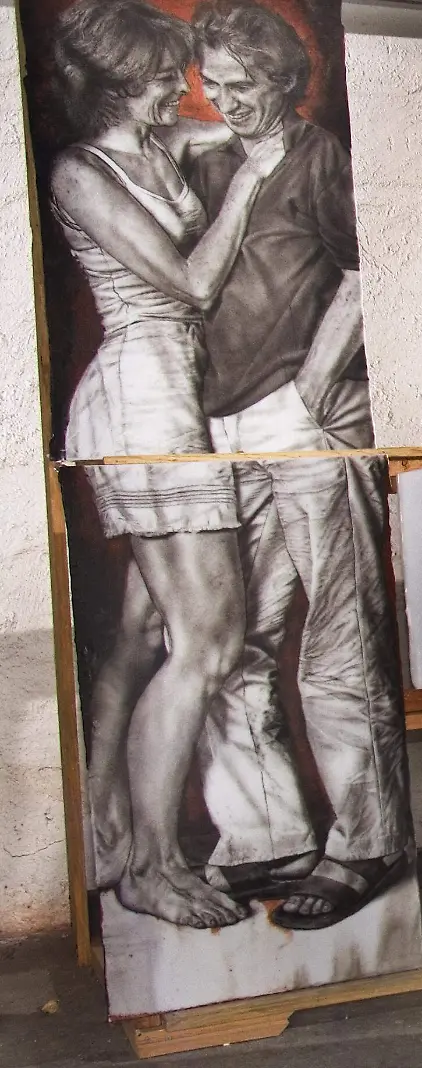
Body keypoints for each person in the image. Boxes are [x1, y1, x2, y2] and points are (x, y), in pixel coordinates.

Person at [49, 0, 282, 930]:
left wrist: (249, 124)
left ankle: (109, 830)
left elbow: (236, 124)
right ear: (114, 81)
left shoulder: (159, 142)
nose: (177, 88)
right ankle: (152, 861)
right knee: (210, 642)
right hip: (140, 402)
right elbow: (189, 283)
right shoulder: (81, 173)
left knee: (148, 635)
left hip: (178, 400)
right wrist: (249, 183)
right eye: (160, 76)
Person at [183, 0, 412, 931]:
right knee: (227, 638)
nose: (230, 100)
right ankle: (265, 833)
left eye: (249, 85)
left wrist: (319, 384)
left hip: (299, 418)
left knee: (337, 644)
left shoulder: (320, 158)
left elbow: (370, 270)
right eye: (217, 84)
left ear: (286, 83)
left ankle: (365, 842)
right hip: (222, 424)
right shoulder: (212, 160)